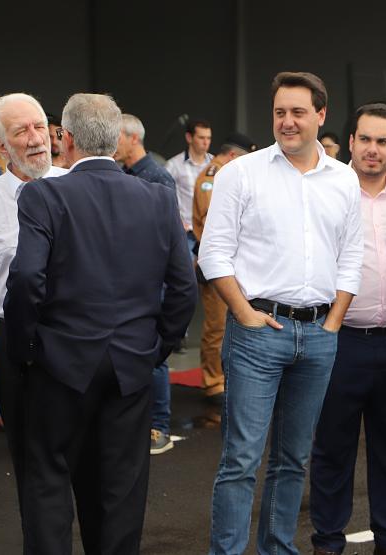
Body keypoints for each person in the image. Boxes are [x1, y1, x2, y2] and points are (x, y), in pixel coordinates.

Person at [4, 93, 197, 554]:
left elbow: (28, 276)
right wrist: (157, 348)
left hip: (59, 363)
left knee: (48, 481)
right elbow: (184, 287)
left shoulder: (43, 194)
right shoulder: (156, 196)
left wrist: (26, 347)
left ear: (64, 139)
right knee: (120, 493)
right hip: (130, 365)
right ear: (116, 140)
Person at [199, 71, 363, 555]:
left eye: (297, 112)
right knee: (241, 460)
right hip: (257, 334)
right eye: (279, 112)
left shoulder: (343, 179)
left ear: (321, 115)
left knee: (292, 460)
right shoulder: (240, 173)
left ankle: (278, 549)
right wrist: (244, 314)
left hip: (318, 334)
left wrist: (333, 323)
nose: (287, 122)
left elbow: (352, 255)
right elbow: (214, 254)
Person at [309, 103, 386, 555]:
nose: (372, 150)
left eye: (382, 141)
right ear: (350, 142)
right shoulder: (324, 193)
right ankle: (328, 541)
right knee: (332, 450)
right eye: (365, 139)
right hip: (340, 340)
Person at [0, 92, 69, 510]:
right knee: (32, 465)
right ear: (0, 146)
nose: (36, 139)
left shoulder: (76, 186)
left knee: (86, 458)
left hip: (75, 337)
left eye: (40, 127)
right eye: (21, 131)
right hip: (14, 345)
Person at [114, 112, 180, 454]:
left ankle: (159, 427)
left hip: (153, 282)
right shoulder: (125, 174)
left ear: (133, 138)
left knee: (155, 358)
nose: (113, 144)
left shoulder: (157, 178)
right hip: (130, 283)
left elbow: (163, 240)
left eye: (117, 138)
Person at [191, 132, 256, 407]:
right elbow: (210, 224)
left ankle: (224, 378)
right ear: (232, 156)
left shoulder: (222, 173)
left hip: (234, 264)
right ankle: (213, 381)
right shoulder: (213, 176)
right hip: (219, 264)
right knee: (217, 326)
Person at [166, 119, 213, 254]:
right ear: (189, 137)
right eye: (201, 137)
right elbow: (165, 198)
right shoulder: (173, 165)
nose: (206, 142)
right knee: (186, 273)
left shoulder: (215, 165)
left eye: (209, 138)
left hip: (209, 232)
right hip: (187, 233)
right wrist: (177, 221)